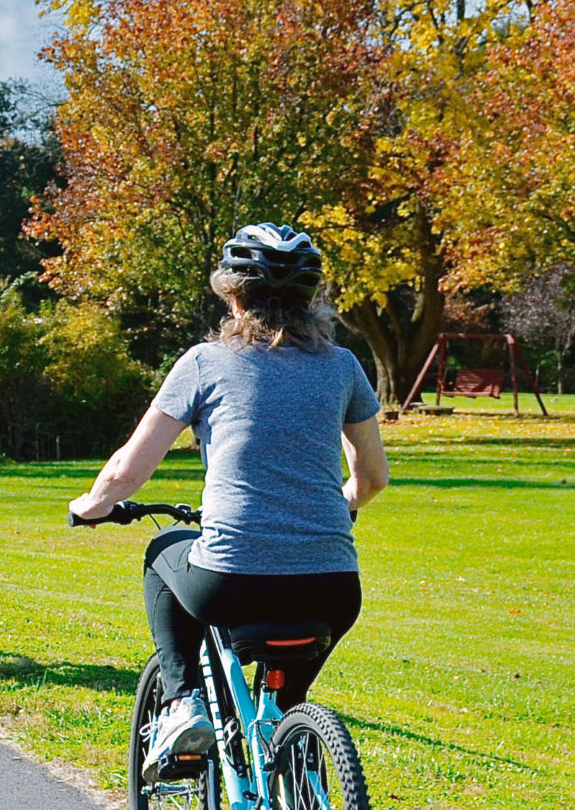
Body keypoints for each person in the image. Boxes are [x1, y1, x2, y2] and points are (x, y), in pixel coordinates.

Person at [66, 222, 390, 775]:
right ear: (308, 298)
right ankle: (291, 759)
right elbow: (373, 476)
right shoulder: (342, 367)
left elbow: (127, 471)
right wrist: (342, 505)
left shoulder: (204, 363)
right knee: (284, 712)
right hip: (334, 585)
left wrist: (90, 506)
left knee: (162, 552)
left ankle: (180, 702)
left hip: (232, 579)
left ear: (232, 294)